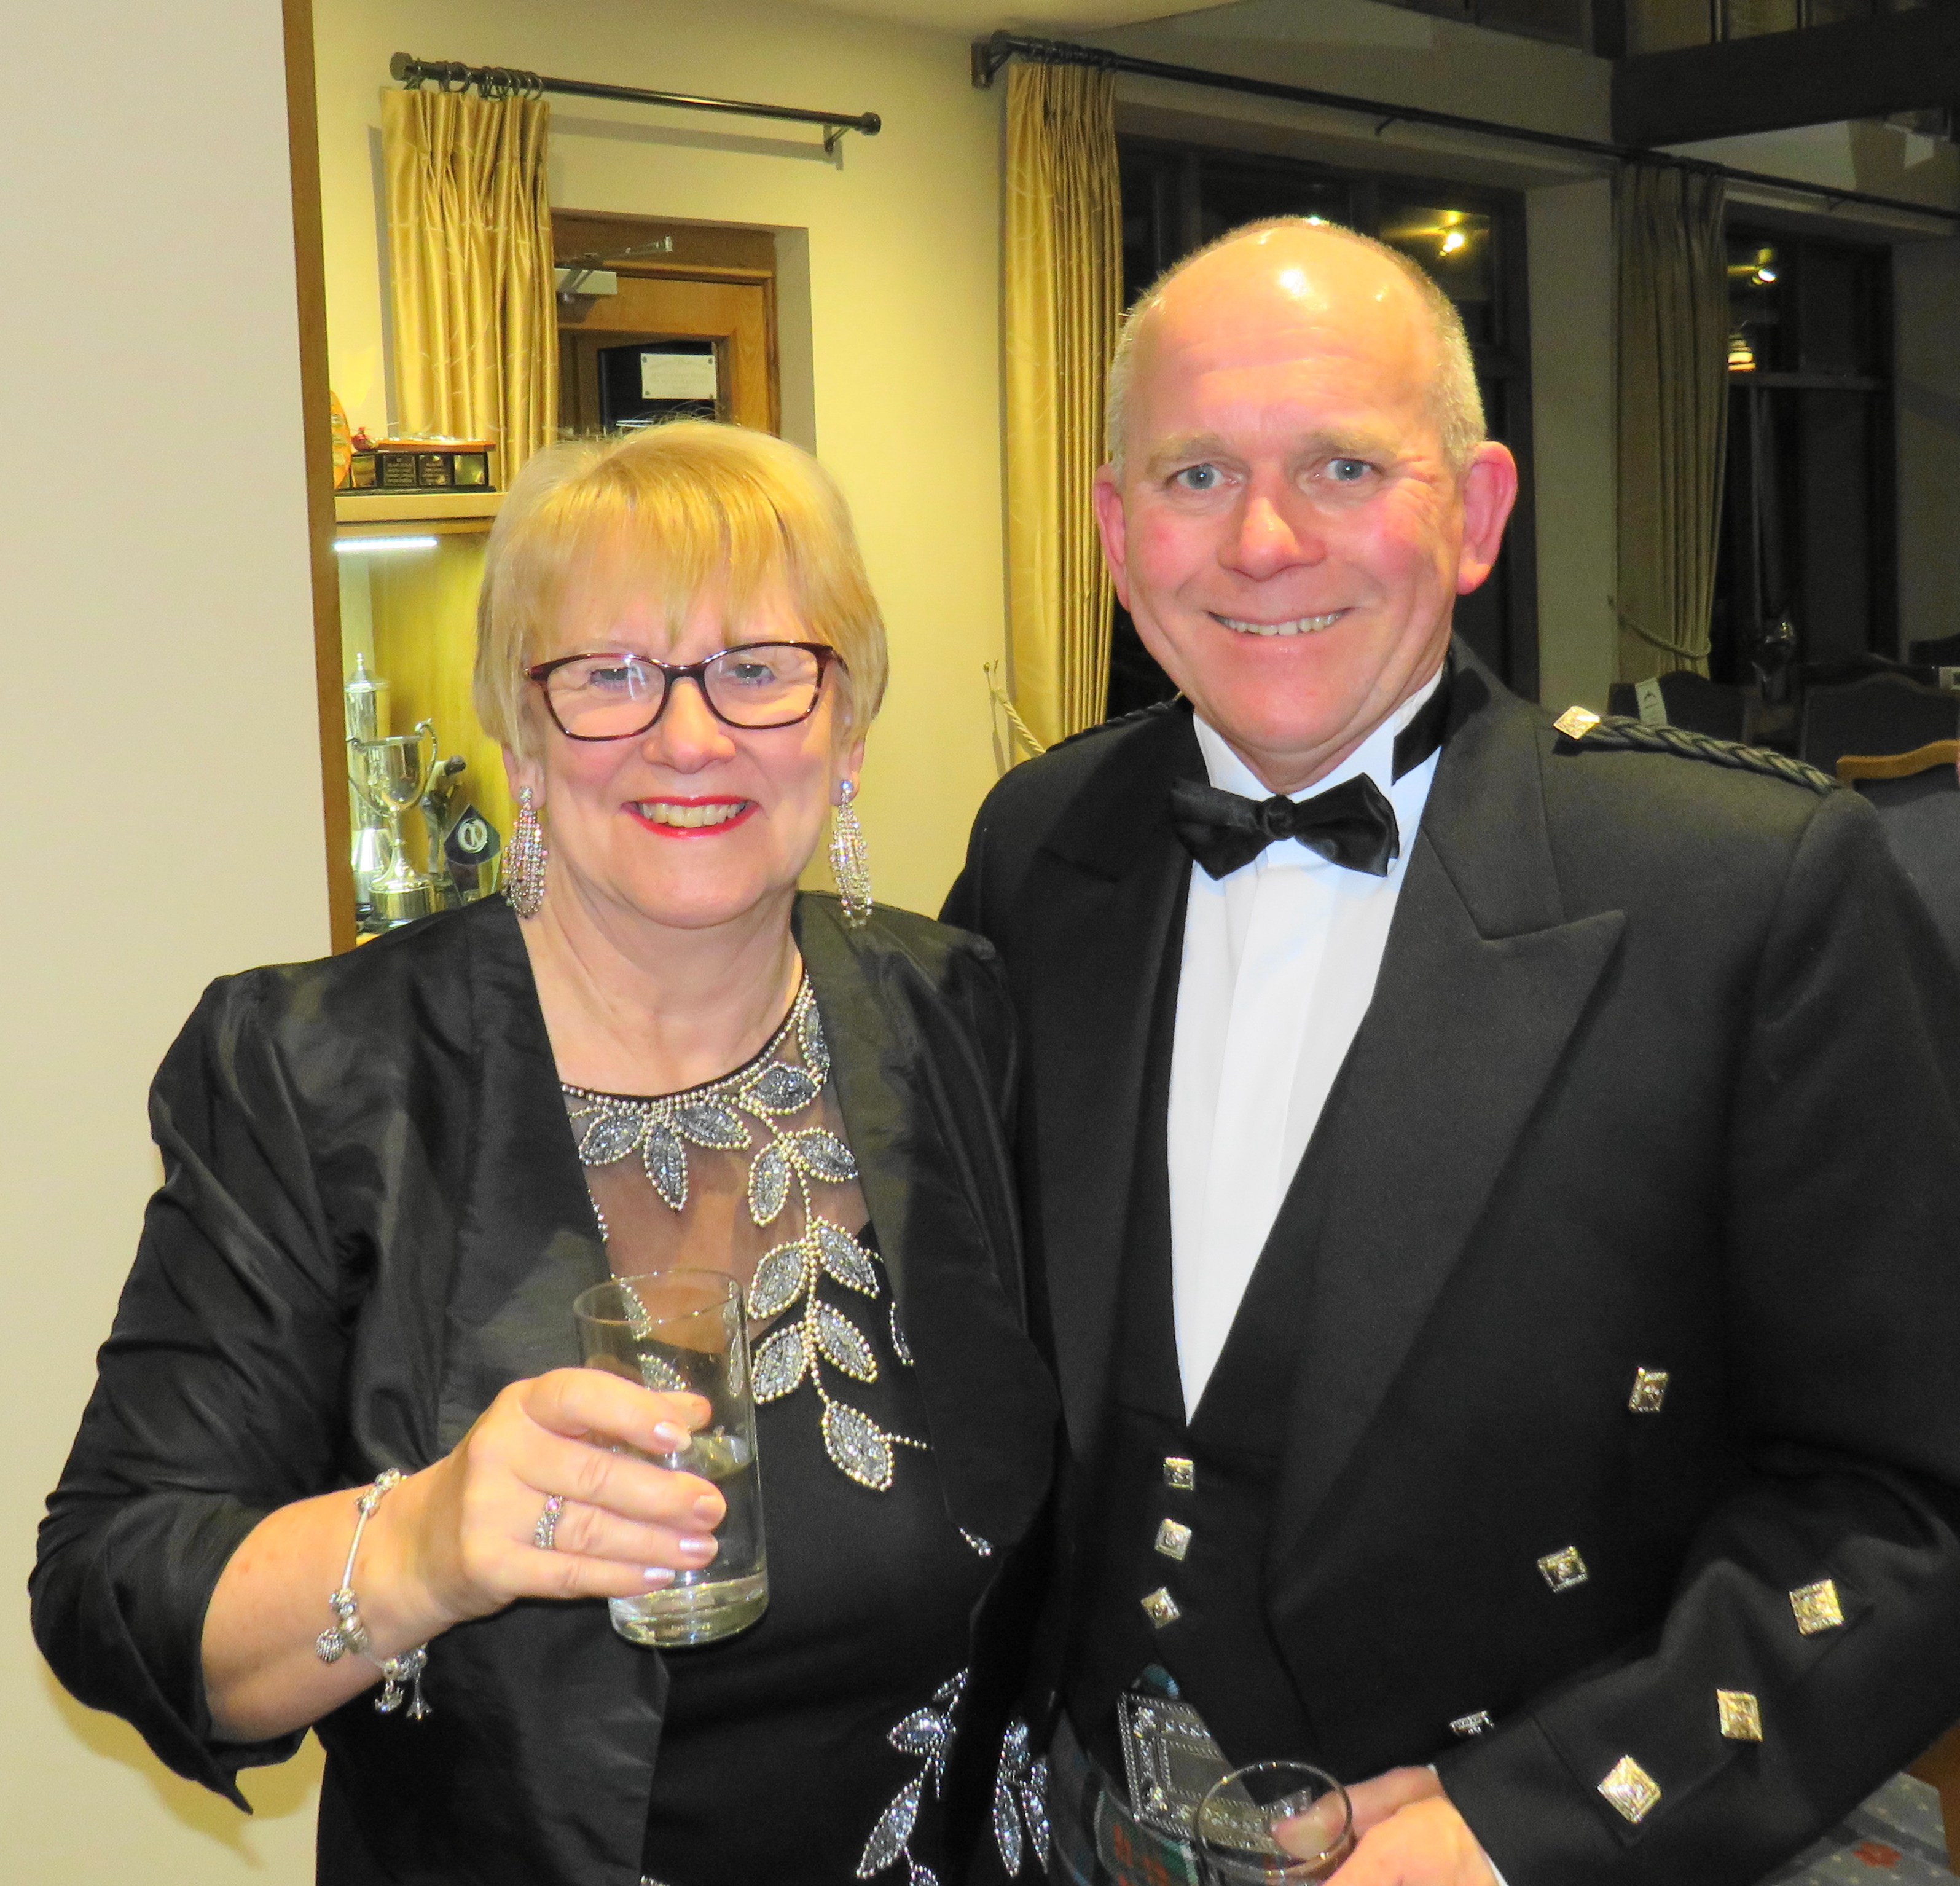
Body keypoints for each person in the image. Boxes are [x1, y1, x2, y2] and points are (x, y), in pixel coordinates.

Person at [942, 218, 1960, 1885]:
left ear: (1474, 514)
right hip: (1082, 1835)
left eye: (1342, 465)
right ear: (1116, 533)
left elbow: (1908, 1495)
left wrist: (1528, 1819)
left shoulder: (1742, 885)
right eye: (1196, 475)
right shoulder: (1039, 842)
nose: (1263, 540)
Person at [35, 422, 1057, 1886]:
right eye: (610, 673)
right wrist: (420, 1543)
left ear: (848, 723)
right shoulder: (317, 1072)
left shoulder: (958, 1014)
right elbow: (114, 1584)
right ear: (516, 731)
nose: (688, 736)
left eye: (758, 666)